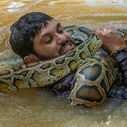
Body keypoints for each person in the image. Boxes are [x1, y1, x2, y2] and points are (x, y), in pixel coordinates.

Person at [10, 12, 127, 101]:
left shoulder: (81, 45)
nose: (63, 38)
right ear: (31, 61)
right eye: (48, 40)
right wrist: (119, 50)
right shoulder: (71, 85)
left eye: (60, 30)